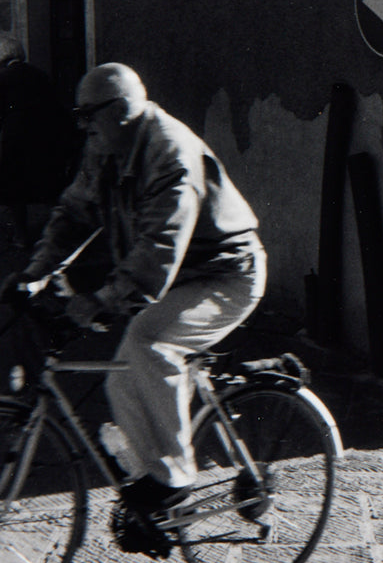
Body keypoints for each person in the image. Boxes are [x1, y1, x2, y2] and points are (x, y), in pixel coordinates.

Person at [3, 63, 266, 523]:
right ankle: (151, 498)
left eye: (89, 115)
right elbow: (74, 214)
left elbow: (157, 250)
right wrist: (36, 273)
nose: (82, 126)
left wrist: (101, 301)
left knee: (150, 341)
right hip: (183, 279)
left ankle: (175, 480)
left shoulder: (171, 154)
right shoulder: (107, 146)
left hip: (228, 276)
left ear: (122, 110)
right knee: (122, 374)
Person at [0, 35, 79, 248]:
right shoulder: (40, 74)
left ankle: (21, 237)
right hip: (45, 140)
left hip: (15, 142)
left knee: (13, 190)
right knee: (48, 188)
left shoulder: (3, 78)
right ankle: (59, 234)